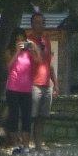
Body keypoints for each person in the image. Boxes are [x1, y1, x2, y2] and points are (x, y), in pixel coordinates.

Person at [27, 13, 55, 148]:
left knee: (42, 117)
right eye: (37, 22)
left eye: (42, 23)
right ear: (32, 24)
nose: (40, 25)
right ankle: (25, 144)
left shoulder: (46, 40)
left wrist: (55, 83)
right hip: (33, 84)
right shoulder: (28, 41)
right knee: (31, 115)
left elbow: (49, 63)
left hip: (46, 84)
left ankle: (38, 144)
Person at [2, 37, 35, 150]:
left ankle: (26, 146)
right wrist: (17, 52)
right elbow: (8, 66)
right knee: (14, 116)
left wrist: (34, 48)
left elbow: (39, 61)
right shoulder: (9, 51)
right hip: (13, 88)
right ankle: (15, 145)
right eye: (17, 39)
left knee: (26, 118)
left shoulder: (29, 53)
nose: (20, 42)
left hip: (26, 89)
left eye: (22, 39)